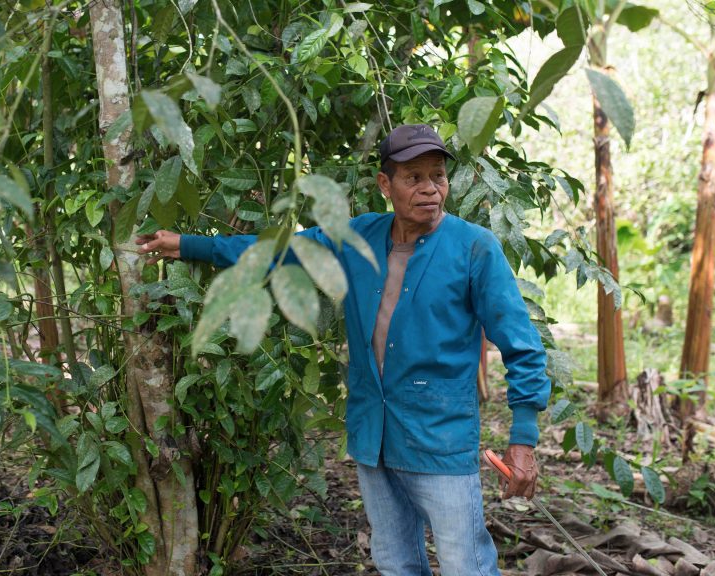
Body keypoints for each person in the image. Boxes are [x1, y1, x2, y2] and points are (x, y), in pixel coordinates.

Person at [136, 124, 550, 576]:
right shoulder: (358, 237)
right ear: (385, 185)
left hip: (440, 438)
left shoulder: (474, 248)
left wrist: (523, 439)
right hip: (373, 434)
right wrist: (188, 245)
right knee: (395, 563)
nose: (431, 189)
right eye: (414, 178)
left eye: (438, 176)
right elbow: (282, 251)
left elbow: (522, 346)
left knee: (464, 565)